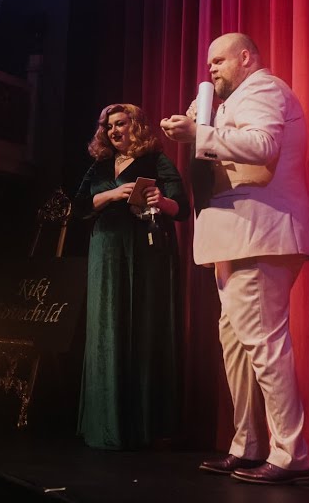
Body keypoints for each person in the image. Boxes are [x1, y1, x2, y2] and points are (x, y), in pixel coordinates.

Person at [161, 32, 309, 485]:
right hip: (234, 238)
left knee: (265, 345)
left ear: (247, 58)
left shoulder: (264, 88)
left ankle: (291, 453)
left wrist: (202, 133)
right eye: (208, 62)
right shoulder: (226, 104)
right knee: (237, 346)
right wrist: (197, 126)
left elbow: (264, 146)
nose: (210, 69)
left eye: (220, 60)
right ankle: (247, 444)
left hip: (260, 232)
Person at [72, 102, 190, 450]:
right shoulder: (101, 165)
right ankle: (106, 422)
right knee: (107, 326)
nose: (114, 131)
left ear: (135, 125)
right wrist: (110, 194)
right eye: (109, 127)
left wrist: (161, 200)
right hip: (106, 252)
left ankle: (145, 424)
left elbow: (181, 206)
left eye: (120, 124)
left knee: (142, 326)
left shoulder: (156, 160)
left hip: (146, 252)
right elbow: (78, 207)